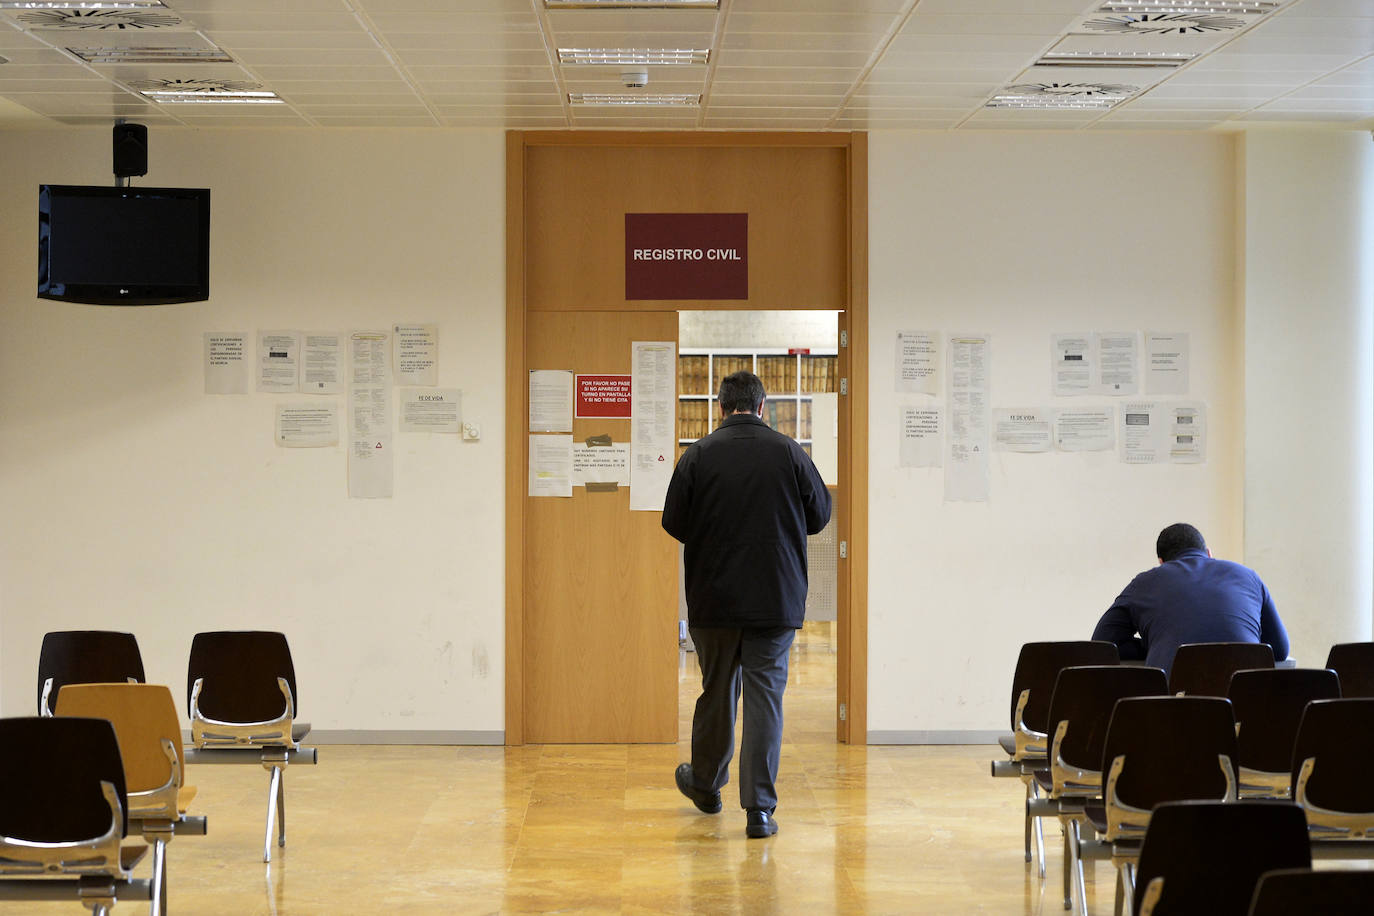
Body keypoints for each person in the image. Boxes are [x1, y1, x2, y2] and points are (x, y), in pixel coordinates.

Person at [662, 370, 831, 839]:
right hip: (775, 600)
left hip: (714, 599)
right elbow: (819, 516)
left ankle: (707, 786)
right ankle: (759, 810)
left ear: (721, 407)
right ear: (762, 407)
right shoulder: (789, 451)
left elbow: (673, 522)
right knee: (765, 701)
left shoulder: (698, 455)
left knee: (717, 691)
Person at [1092, 522, 1289, 674]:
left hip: (1179, 706)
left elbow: (1103, 644)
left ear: (1161, 563)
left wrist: (1156, 646)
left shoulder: (1145, 582)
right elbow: (1280, 649)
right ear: (1209, 553)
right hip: (1247, 704)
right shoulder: (1248, 576)